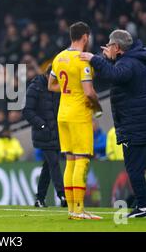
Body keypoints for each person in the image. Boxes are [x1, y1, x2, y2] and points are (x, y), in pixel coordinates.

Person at [80, 29, 146, 218]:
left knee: (135, 167)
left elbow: (117, 75)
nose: (106, 48)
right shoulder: (137, 58)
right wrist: (108, 60)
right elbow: (120, 74)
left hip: (136, 124)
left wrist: (94, 59)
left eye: (109, 45)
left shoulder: (129, 63)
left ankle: (142, 207)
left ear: (117, 47)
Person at [48, 22, 103, 220]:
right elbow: (89, 91)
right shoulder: (82, 60)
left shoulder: (59, 57)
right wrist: (98, 105)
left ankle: (73, 209)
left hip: (63, 114)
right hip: (79, 116)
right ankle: (79, 210)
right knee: (82, 160)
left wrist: (67, 89)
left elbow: (50, 84)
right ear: (85, 37)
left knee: (70, 161)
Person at [23, 65, 66, 208]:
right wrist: (42, 125)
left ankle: (39, 198)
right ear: (48, 75)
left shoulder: (56, 88)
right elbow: (27, 111)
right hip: (43, 133)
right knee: (53, 162)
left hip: (56, 133)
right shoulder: (35, 88)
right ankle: (62, 195)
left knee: (48, 166)